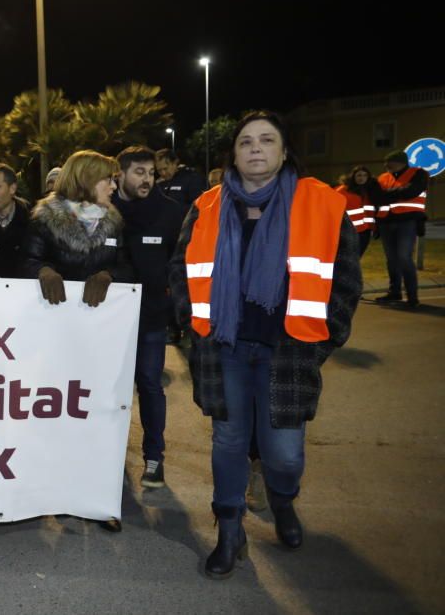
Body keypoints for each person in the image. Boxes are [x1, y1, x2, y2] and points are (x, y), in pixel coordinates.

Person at [168, 110, 361, 579]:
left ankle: (282, 498)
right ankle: (229, 528)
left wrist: (320, 343)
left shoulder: (320, 202)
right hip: (226, 348)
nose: (255, 148)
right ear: (233, 154)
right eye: (246, 142)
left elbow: (345, 283)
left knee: (285, 454)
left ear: (283, 150)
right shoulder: (208, 205)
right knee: (229, 439)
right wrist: (194, 335)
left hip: (288, 348)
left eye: (266, 140)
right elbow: (180, 271)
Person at [23, 149, 130, 532]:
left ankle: (100, 499)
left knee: (100, 414)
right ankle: (56, 491)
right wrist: (45, 270)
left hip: (101, 336)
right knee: (59, 415)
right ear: (86, 180)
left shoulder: (115, 221)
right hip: (54, 335)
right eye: (108, 179)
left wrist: (107, 276)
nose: (114, 186)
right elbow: (27, 261)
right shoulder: (43, 219)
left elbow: (126, 264)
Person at [111, 146, 184, 489]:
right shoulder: (105, 210)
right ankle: (109, 457)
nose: (147, 179)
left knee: (150, 386)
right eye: (139, 172)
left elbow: (178, 265)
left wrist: (172, 307)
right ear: (120, 173)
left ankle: (154, 457)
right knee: (111, 392)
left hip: (152, 318)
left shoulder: (170, 213)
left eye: (151, 173)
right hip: (109, 321)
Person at [372, 150, 428, 307]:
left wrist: (387, 194)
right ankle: (394, 292)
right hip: (385, 222)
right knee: (392, 259)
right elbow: (376, 197)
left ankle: (412, 297)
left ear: (401, 162)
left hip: (407, 221)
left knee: (404, 257)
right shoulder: (383, 177)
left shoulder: (418, 173)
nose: (386, 166)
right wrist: (397, 193)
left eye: (389, 162)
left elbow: (411, 191)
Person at [334, 165, 376, 257]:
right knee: (348, 257)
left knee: (357, 257)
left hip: (365, 230)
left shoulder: (371, 190)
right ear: (353, 176)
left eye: (365, 175)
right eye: (359, 175)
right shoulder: (343, 190)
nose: (362, 178)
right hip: (348, 230)